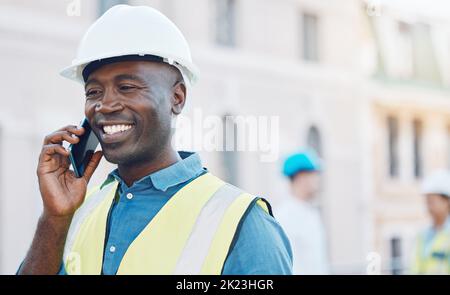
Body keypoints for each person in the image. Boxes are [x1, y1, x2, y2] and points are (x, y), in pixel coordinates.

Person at [17, 5, 292, 275]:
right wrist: (54, 218)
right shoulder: (80, 214)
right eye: (93, 92)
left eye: (126, 87)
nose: (105, 105)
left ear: (177, 97)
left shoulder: (244, 224)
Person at [276, 150, 329, 275]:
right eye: (314, 174)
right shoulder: (284, 217)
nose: (318, 180)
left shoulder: (311, 213)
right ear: (301, 177)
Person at [411, 170, 450, 274]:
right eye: (427, 201)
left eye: (432, 201)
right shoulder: (423, 234)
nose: (428, 206)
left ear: (447, 201)